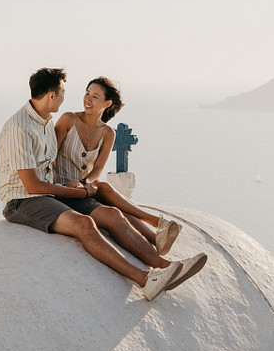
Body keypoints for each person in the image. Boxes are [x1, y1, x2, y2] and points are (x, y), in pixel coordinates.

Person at [0, 67, 206, 301]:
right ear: (51, 95)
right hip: (22, 200)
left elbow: (51, 170)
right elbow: (32, 186)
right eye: (63, 92)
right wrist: (75, 192)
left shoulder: (45, 121)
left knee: (113, 215)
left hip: (51, 195)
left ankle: (164, 265)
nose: (69, 97)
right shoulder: (21, 127)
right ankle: (145, 280)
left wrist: (79, 188)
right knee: (84, 224)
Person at [53, 77, 184, 257]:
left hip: (85, 187)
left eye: (95, 96)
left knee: (110, 198)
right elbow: (50, 156)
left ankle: (156, 239)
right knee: (107, 194)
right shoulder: (68, 119)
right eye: (87, 93)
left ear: (107, 103)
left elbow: (98, 168)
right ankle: (157, 223)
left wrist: (84, 182)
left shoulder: (108, 133)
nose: (88, 99)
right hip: (61, 189)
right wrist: (71, 185)